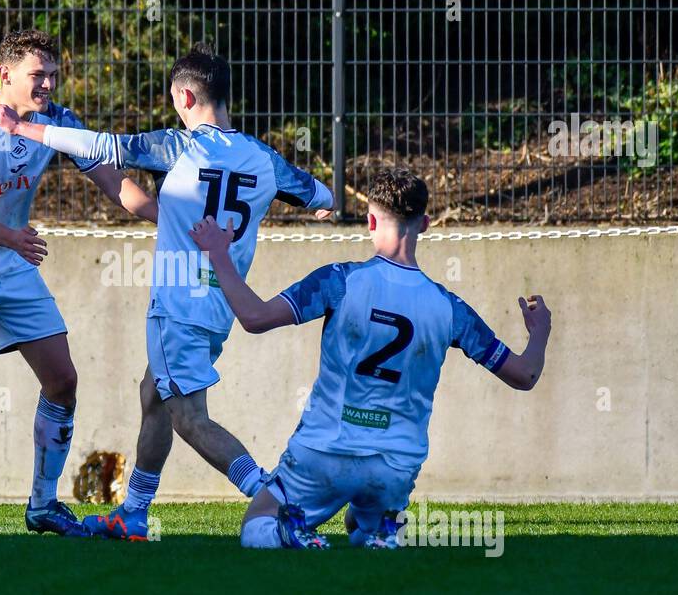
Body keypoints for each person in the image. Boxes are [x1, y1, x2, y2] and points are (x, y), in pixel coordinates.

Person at [0, 43, 333, 540]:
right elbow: (321, 195)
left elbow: (99, 146)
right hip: (218, 304)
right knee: (153, 395)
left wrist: (21, 128)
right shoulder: (265, 159)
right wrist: (321, 203)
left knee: (188, 417)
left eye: (173, 100)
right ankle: (135, 512)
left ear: (186, 98)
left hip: (176, 307)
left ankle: (279, 500)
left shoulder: (180, 146)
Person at [188, 167, 553, 549]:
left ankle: (287, 531)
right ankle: (381, 530)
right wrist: (540, 332)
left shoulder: (339, 280)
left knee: (257, 522)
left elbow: (255, 317)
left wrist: (218, 254)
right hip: (394, 465)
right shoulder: (450, 308)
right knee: (364, 516)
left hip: (325, 451)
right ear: (425, 224)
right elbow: (524, 375)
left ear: (370, 220)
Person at [0, 29, 157, 537]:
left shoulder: (58, 121)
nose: (48, 83)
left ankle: (42, 505)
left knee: (63, 380)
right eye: (38, 74)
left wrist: (167, 218)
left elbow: (114, 181)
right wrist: (12, 238)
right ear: (5, 75)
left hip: (10, 263)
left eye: (53, 74)